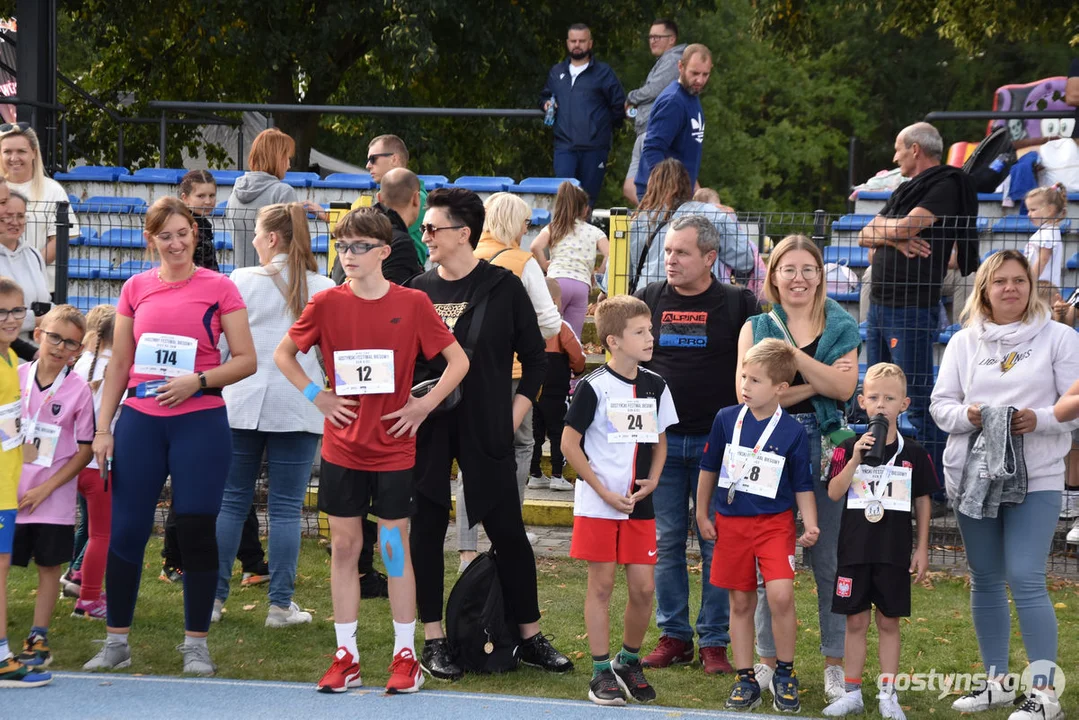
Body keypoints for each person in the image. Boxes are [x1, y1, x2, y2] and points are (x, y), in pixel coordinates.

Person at [275, 206, 468, 694]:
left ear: (384, 251)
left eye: (359, 246)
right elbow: (283, 354)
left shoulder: (414, 303)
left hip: (395, 452)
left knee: (393, 549)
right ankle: (347, 656)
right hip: (342, 449)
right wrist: (315, 395)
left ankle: (405, 655)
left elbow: (458, 362)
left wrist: (422, 407)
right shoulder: (326, 303)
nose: (349, 254)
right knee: (344, 548)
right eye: (342, 246)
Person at [84, 197, 257, 675]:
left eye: (183, 233)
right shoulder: (136, 287)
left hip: (199, 420)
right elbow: (120, 362)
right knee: (127, 531)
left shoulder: (220, 288)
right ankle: (116, 641)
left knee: (197, 530)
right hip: (140, 421)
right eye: (166, 235)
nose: (176, 242)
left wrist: (197, 381)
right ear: (151, 240)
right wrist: (103, 427)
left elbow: (246, 359)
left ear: (195, 234)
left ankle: (195, 644)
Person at [406, 187, 572, 680]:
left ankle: (530, 635)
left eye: (433, 228)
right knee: (428, 530)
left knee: (508, 533)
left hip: (487, 426)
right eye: (425, 228)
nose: (426, 235)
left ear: (464, 233)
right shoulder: (418, 288)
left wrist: (516, 412)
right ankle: (434, 639)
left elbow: (539, 358)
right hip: (429, 428)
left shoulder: (503, 285)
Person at [931, 250, 1079, 720]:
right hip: (973, 479)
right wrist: (970, 416)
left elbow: (1074, 398)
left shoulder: (1059, 337)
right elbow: (941, 406)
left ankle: (1044, 694)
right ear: (985, 290)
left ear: (1031, 287)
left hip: (1037, 477)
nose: (1011, 288)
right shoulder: (963, 342)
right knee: (986, 581)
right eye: (1001, 282)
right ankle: (995, 683)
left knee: (1026, 577)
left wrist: (1043, 419)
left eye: (1020, 280)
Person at [634, 214, 761, 675]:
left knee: (716, 542)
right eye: (668, 251)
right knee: (666, 541)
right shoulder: (647, 299)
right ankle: (674, 637)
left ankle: (714, 641)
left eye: (682, 252)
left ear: (710, 258)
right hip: (662, 445)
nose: (671, 259)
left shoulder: (737, 303)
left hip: (719, 444)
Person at [737, 234, 860, 703]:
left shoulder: (842, 324)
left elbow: (848, 392)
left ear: (820, 274)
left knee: (828, 560)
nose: (798, 278)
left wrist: (793, 365)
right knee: (771, 561)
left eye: (808, 268)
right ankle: (767, 660)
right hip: (769, 446)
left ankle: (833, 663)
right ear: (773, 275)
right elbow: (748, 395)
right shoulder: (755, 326)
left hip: (829, 450)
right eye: (788, 269)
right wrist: (819, 382)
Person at [214, 202, 335, 628]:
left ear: (272, 238)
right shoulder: (322, 284)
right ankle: (280, 606)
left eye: (257, 234)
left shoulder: (241, 280)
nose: (251, 241)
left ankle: (214, 600)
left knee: (232, 501)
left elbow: (225, 345)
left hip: (243, 398)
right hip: (297, 402)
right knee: (285, 509)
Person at [560, 295, 676, 706]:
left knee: (644, 589)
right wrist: (602, 489)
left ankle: (628, 661)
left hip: (638, 504)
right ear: (613, 340)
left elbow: (660, 442)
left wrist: (654, 481)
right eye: (640, 332)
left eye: (650, 330)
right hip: (598, 502)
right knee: (603, 584)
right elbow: (569, 444)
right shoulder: (593, 387)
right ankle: (599, 671)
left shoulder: (656, 385)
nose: (650, 338)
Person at [695, 339, 818, 713]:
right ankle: (745, 677)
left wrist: (809, 523)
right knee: (741, 599)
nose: (745, 386)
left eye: (756, 380)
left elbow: (803, 484)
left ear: (781, 388)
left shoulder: (792, 432)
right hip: (731, 524)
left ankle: (784, 672)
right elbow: (708, 469)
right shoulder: (725, 419)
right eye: (744, 377)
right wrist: (702, 513)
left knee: (780, 594)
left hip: (774, 525)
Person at [858, 122, 979, 477]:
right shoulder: (905, 189)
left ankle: (935, 482)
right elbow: (866, 234)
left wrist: (893, 233)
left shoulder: (943, 185)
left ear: (914, 149)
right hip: (880, 303)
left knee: (919, 398)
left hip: (910, 307)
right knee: (876, 398)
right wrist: (894, 240)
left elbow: (909, 226)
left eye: (898, 149)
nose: (894, 157)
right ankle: (879, 466)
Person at [822, 363, 935, 720]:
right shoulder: (848, 448)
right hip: (854, 552)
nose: (881, 404)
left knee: (889, 621)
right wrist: (855, 459)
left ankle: (888, 692)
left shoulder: (913, 453)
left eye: (890, 398)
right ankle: (852, 691)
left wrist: (920, 548)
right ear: (861, 402)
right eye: (874, 397)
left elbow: (923, 501)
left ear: (904, 403)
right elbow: (834, 492)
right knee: (855, 622)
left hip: (893, 553)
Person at [456, 191, 561, 567]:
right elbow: (549, 321)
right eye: (525, 222)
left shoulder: (464, 255)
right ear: (514, 223)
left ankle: (466, 545)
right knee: (519, 445)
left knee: (470, 454)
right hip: (514, 371)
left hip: (464, 369)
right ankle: (509, 529)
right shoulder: (521, 260)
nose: (527, 229)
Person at [11, 305, 95, 668]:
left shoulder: (79, 391)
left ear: (79, 350)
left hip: (52, 500)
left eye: (71, 344)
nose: (61, 347)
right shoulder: (14, 377)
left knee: (48, 569)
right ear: (40, 333)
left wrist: (46, 489)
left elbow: (85, 449)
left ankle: (38, 637)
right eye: (55, 337)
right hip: (9, 495)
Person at [0, 277, 53, 688]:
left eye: (17, 311)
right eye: (1, 312)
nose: (10, 319)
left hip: (9, 484)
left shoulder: (12, 362)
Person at [614, 159, 754, 294]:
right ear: (687, 183)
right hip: (702, 298)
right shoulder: (714, 215)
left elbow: (616, 272)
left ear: (651, 185)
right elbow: (744, 260)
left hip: (648, 299)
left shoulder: (637, 221)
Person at [540, 23, 627, 208]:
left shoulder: (604, 73)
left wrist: (601, 129)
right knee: (564, 200)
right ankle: (564, 237)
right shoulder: (556, 72)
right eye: (573, 41)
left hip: (594, 149)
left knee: (587, 202)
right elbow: (545, 96)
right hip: (564, 147)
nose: (577, 44)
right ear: (567, 43)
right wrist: (545, 103)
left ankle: (585, 236)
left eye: (582, 40)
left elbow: (619, 106)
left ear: (590, 43)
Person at [69, 304, 117, 621]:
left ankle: (77, 577)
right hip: (101, 464)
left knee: (87, 527)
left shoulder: (80, 365)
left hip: (74, 462)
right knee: (102, 535)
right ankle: (88, 599)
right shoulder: (117, 369)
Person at [0, 122, 79, 292]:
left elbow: (59, 239)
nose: (14, 158)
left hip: (41, 286)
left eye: (21, 151)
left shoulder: (53, 190)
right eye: (7, 151)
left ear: (34, 153)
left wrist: (29, 268)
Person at [227, 128, 320, 268]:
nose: (289, 165)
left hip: (243, 275)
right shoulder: (283, 192)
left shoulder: (234, 192)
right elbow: (298, 244)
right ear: (277, 158)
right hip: (277, 276)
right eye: (287, 158)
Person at [528, 181, 608, 338]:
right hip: (581, 287)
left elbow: (535, 246)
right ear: (585, 209)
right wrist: (599, 274)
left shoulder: (554, 227)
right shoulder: (595, 231)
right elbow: (610, 253)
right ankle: (571, 363)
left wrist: (545, 264)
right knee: (574, 337)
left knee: (549, 331)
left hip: (556, 284)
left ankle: (549, 360)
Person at [633, 44, 712, 202]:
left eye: (705, 74)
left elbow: (686, 154)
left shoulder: (691, 96)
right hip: (661, 195)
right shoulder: (673, 101)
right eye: (695, 73)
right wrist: (668, 190)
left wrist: (693, 188)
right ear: (680, 66)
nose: (700, 80)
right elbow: (652, 149)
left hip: (679, 194)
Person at [528, 278, 586, 492]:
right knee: (557, 431)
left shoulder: (526, 324)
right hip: (556, 388)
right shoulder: (561, 326)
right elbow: (577, 355)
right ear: (553, 301)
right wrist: (578, 371)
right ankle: (557, 475)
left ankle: (534, 474)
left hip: (531, 389)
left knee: (534, 432)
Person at [623, 19, 685, 206]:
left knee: (660, 186)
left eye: (658, 37)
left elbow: (654, 89)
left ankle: (665, 219)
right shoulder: (664, 60)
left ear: (672, 39)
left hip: (655, 133)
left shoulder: (674, 59)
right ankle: (653, 215)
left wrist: (631, 97)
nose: (653, 41)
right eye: (650, 37)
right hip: (643, 132)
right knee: (629, 187)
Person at [332, 167, 424, 285]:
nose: (350, 254)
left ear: (379, 198)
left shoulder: (351, 235)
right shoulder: (400, 243)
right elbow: (394, 297)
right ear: (416, 198)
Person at [357, 135, 429, 267]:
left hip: (403, 271)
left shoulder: (420, 199)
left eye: (373, 159)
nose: (368, 165)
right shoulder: (413, 196)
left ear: (394, 159)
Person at [0, 191, 50, 344]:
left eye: (20, 216)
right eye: (8, 216)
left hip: (36, 351)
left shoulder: (33, 254)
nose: (15, 222)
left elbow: (45, 300)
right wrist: (34, 320)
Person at [1022, 183, 1067, 291]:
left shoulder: (1048, 233)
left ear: (1050, 210)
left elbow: (1043, 259)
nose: (1028, 214)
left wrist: (1030, 281)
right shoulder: (1047, 231)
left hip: (1042, 288)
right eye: (1028, 210)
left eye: (1033, 210)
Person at [179, 170, 219, 271]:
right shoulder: (183, 226)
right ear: (185, 198)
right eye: (201, 196)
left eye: (212, 195)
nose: (208, 201)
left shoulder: (203, 223)